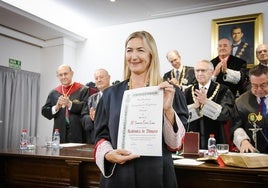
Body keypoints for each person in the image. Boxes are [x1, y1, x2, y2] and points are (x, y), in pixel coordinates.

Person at [94, 31, 188, 188]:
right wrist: (109, 154)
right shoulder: (110, 94)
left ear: (151, 54)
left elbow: (176, 144)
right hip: (118, 175)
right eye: (129, 50)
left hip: (157, 175)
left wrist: (168, 110)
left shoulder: (170, 92)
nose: (134, 56)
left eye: (140, 50)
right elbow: (100, 136)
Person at [184, 60, 235, 149]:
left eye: (203, 70)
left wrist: (206, 103)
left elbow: (227, 114)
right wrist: (194, 107)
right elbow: (182, 117)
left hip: (217, 138)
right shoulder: (188, 91)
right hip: (193, 141)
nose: (199, 73)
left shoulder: (223, 90)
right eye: (197, 71)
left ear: (211, 72)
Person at [41, 64, 89, 143]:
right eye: (60, 75)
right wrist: (56, 108)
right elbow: (44, 111)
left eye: (65, 74)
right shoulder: (54, 92)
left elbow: (86, 108)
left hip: (78, 133)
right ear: (57, 76)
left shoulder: (83, 90)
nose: (63, 77)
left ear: (72, 73)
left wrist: (70, 104)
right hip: (59, 134)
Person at [232, 65, 268, 153]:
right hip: (254, 153)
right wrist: (243, 141)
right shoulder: (241, 102)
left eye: (263, 85)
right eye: (255, 86)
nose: (259, 90)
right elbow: (236, 126)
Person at [81, 68, 111, 144]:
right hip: (94, 139)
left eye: (101, 77)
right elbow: (83, 118)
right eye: (96, 78)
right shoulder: (91, 98)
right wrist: (91, 118)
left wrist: (99, 117)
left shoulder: (117, 95)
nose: (99, 80)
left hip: (111, 138)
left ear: (109, 77)